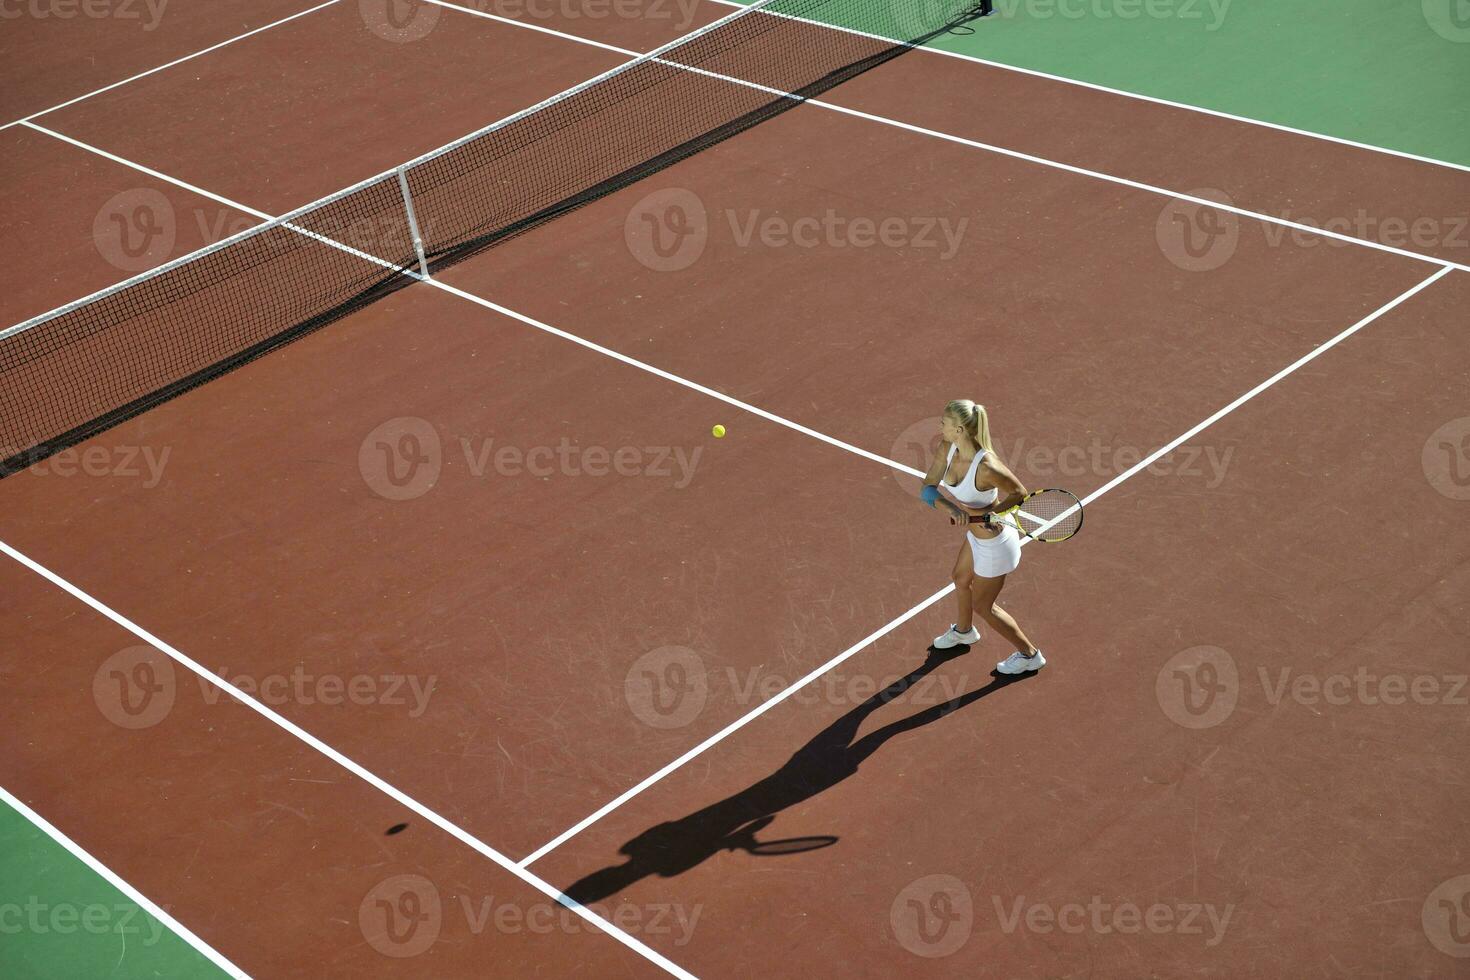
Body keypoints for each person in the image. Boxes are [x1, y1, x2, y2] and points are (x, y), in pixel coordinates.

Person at [918, 400, 1044, 674]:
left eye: (944, 423)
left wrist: (993, 514)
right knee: (961, 578)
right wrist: (949, 507)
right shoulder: (946, 448)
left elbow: (1019, 493)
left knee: (984, 606)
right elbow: (927, 489)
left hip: (996, 543)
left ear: (960, 429)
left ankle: (1029, 654)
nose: (940, 426)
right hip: (976, 536)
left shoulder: (987, 466)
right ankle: (964, 632)